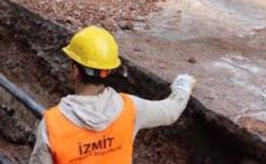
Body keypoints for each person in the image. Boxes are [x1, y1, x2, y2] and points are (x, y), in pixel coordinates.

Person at [29, 26, 195, 164]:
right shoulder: (130, 109)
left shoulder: (52, 124)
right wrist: (183, 86)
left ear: (74, 71)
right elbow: (170, 111)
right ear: (107, 71)